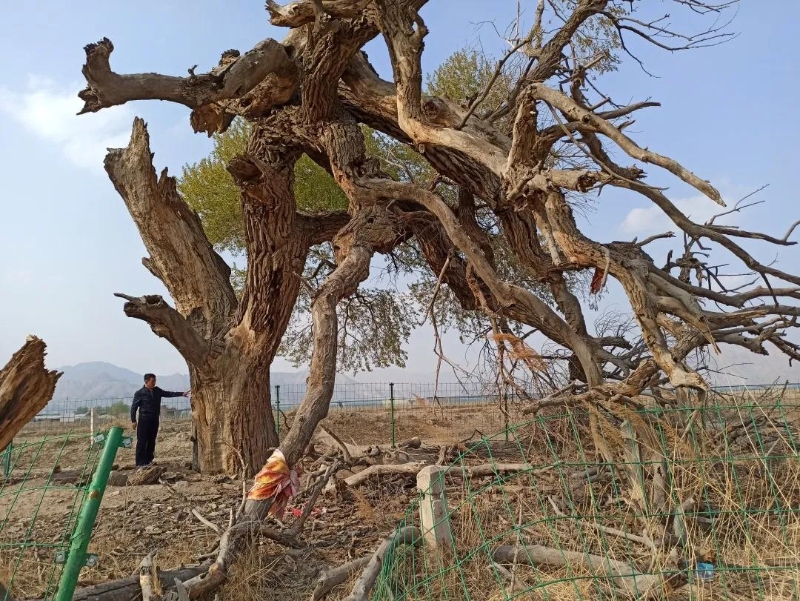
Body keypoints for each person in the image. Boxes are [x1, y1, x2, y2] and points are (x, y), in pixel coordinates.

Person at [131, 373, 189, 468]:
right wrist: (133, 420)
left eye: (155, 381)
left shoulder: (157, 391)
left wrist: (181, 394)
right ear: (146, 381)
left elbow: (168, 394)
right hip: (144, 420)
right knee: (142, 441)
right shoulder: (139, 393)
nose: (154, 383)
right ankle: (140, 463)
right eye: (152, 381)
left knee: (151, 440)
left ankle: (149, 460)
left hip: (154, 420)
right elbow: (134, 407)